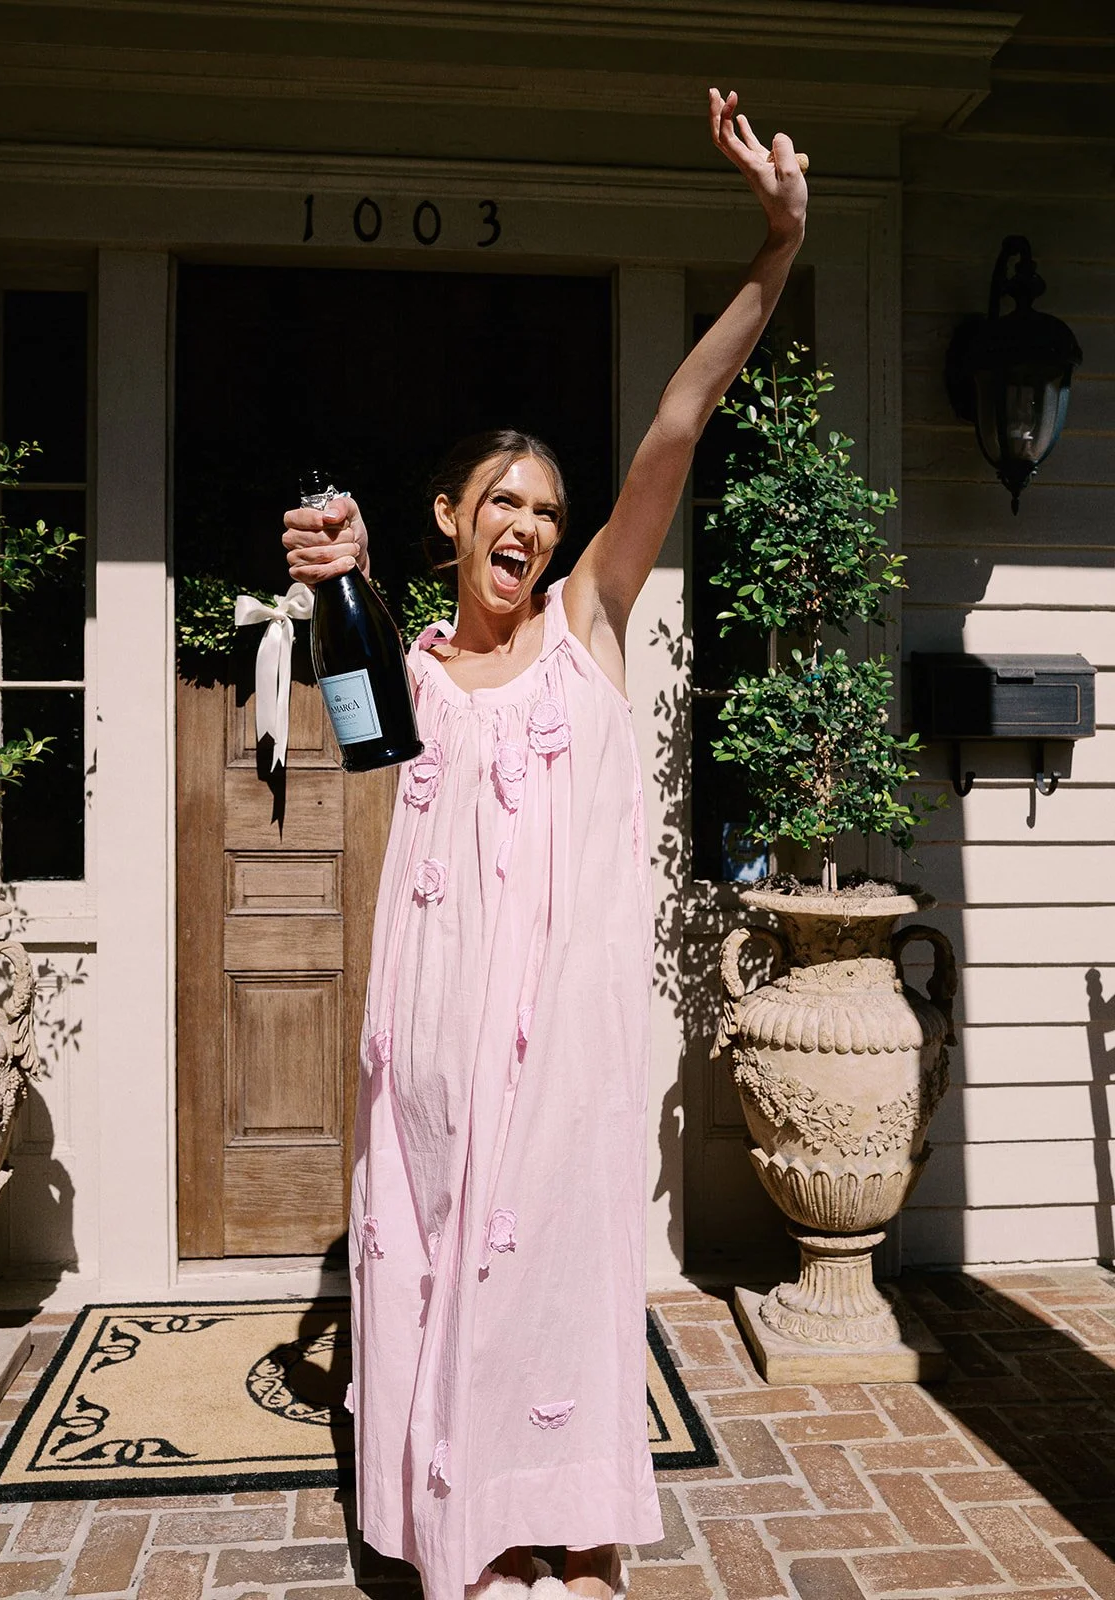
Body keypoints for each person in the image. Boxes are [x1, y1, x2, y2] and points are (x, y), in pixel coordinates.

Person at [283, 87, 807, 1600]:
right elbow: (367, 733)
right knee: (443, 1276)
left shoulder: (588, 626)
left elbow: (679, 420)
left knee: (558, 1289)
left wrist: (775, 247)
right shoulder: (410, 671)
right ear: (447, 516)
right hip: (438, 1049)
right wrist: (335, 583)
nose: (529, 520)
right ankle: (469, 1530)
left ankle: (575, 1537)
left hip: (565, 1048)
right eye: (502, 500)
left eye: (547, 506)